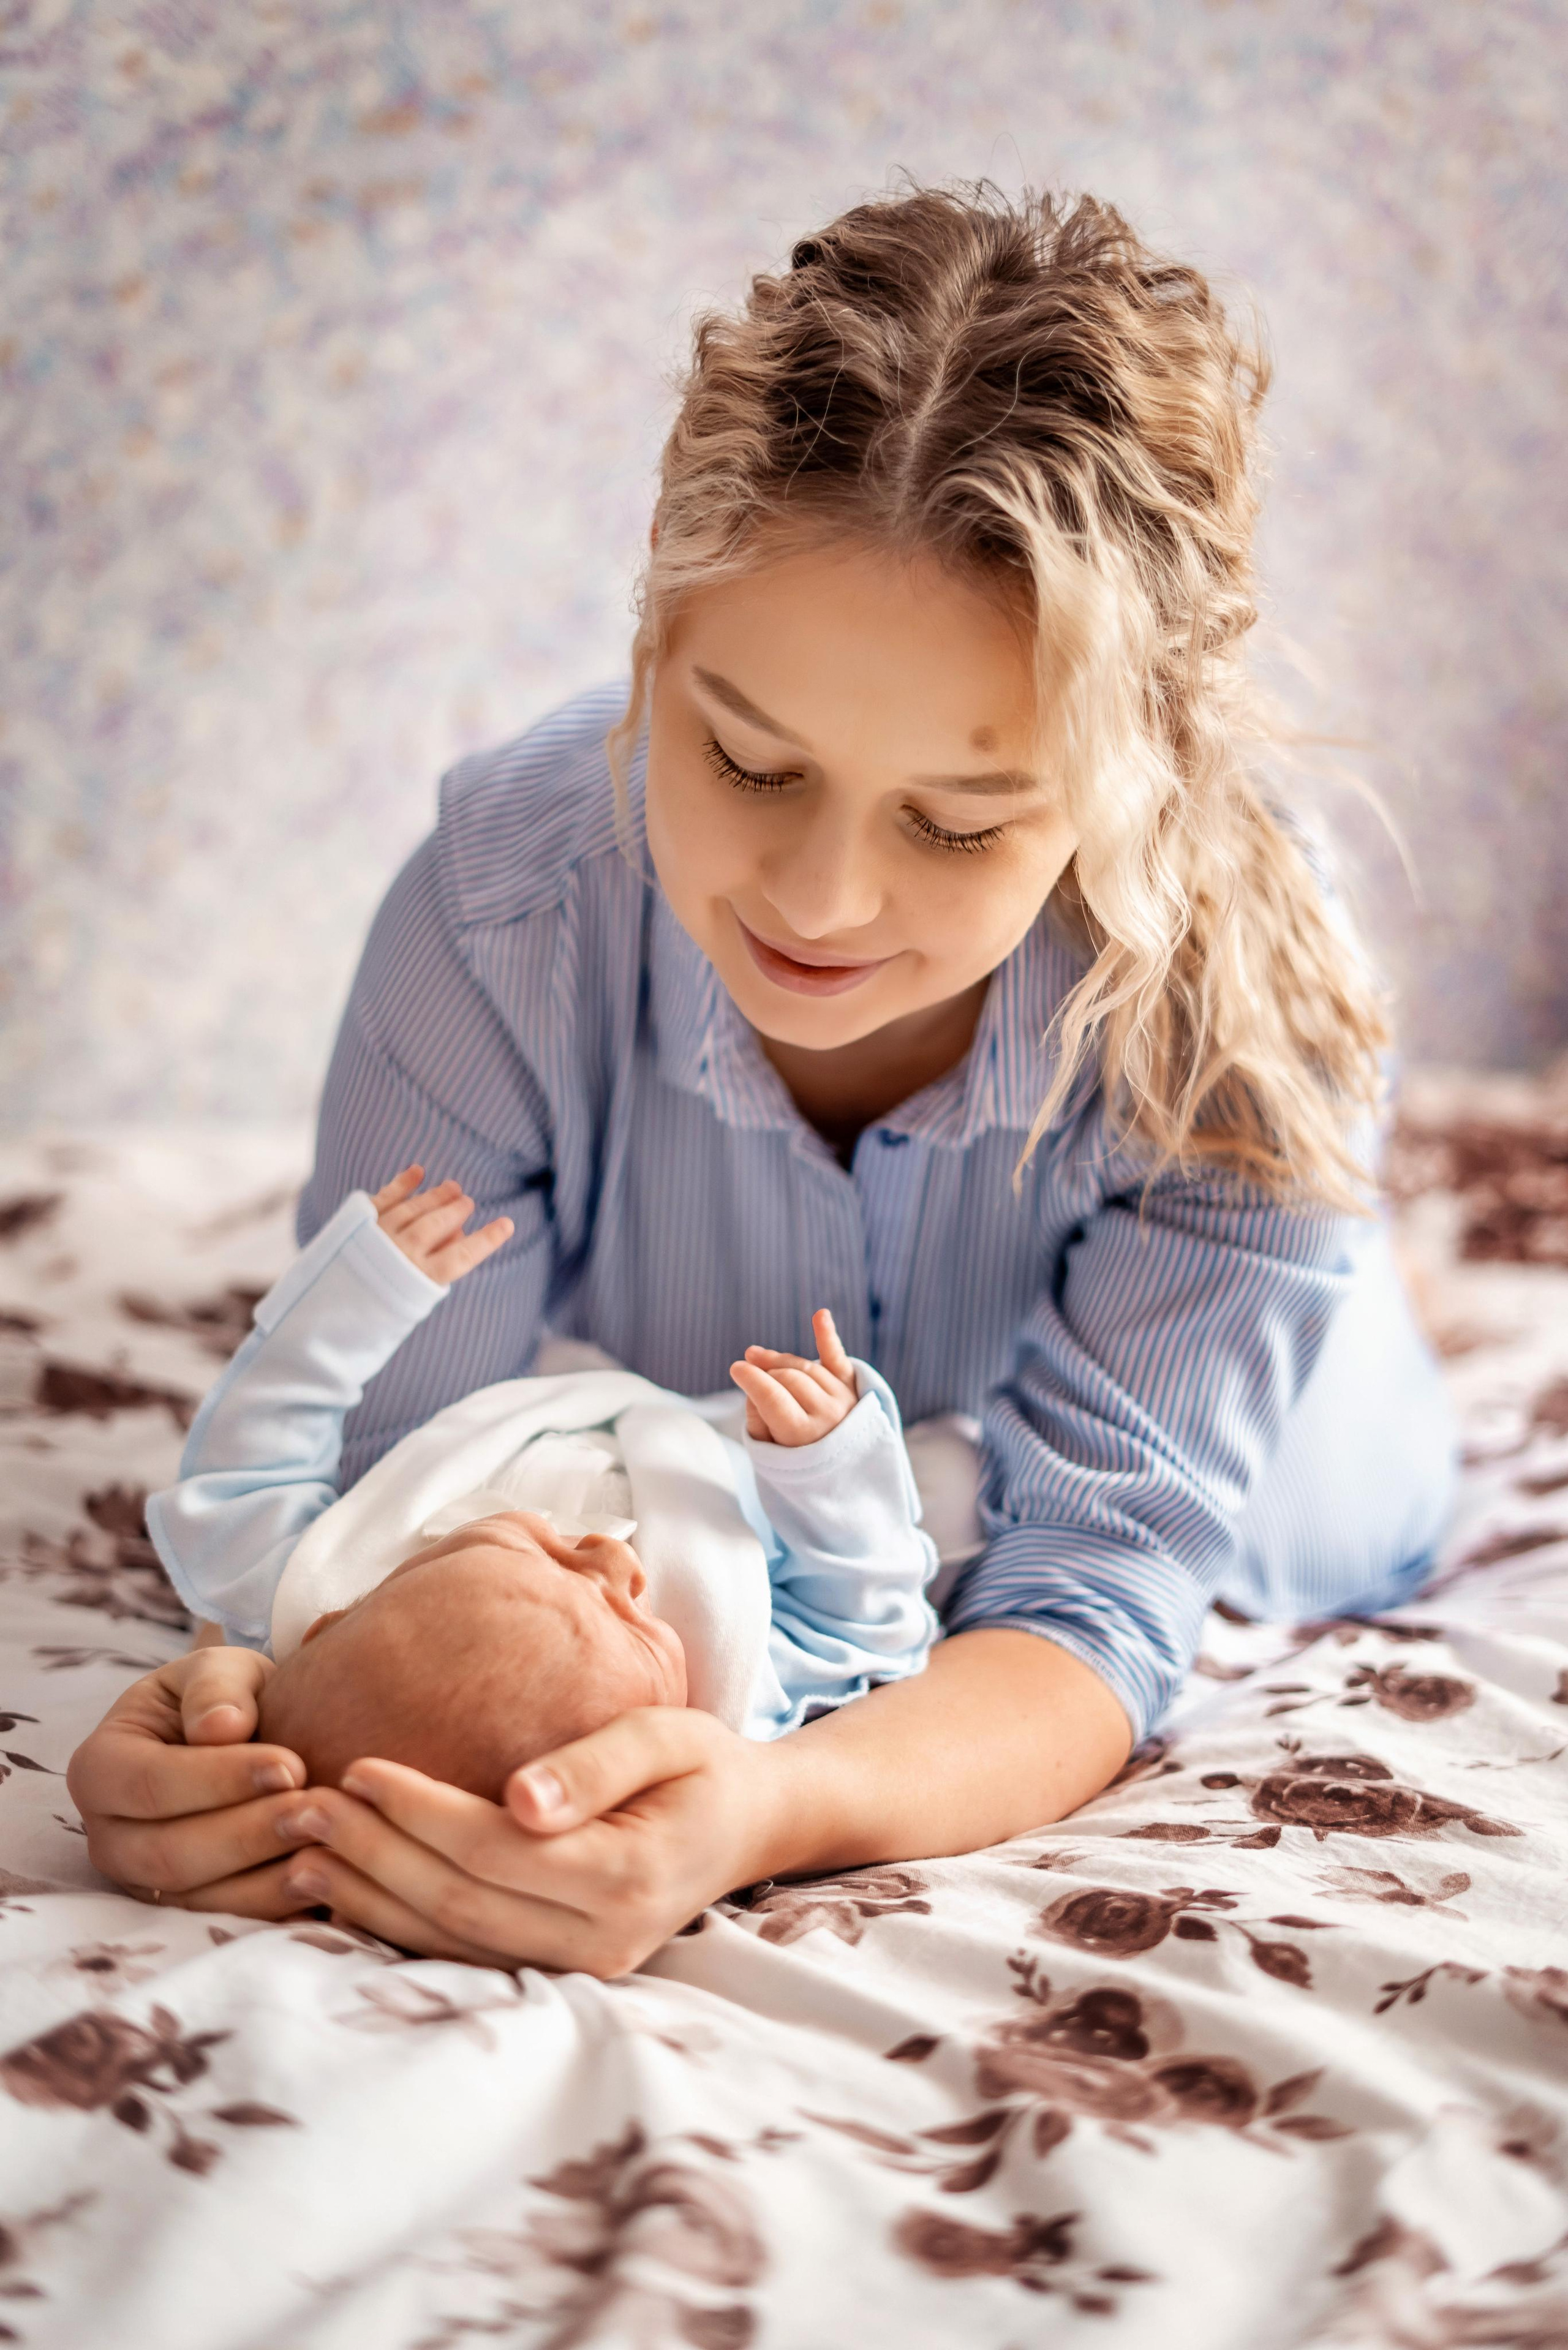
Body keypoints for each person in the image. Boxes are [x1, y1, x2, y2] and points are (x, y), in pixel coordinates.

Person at [67, 184, 1455, 1979]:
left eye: (956, 821)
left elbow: (1089, 1602)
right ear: (656, 637)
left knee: (1220, 1486)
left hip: (1295, 1479)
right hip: (757, 1505)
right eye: (746, 758)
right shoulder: (508, 908)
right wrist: (234, 1721)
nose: (818, 906)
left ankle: (1320, 1281)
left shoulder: (1242, 1018)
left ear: (1127, 784)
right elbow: (386, 1493)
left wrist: (762, 1803)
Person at [141, 1164, 938, 1796]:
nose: (605, 1560)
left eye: (533, 1558)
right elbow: (867, 1608)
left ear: (336, 1620)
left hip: (538, 1387)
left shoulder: (305, 1591)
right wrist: (826, 1463)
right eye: (629, 1619)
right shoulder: (740, 1686)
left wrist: (356, 1302)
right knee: (953, 1483)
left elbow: (253, 1454)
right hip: (746, 1455)